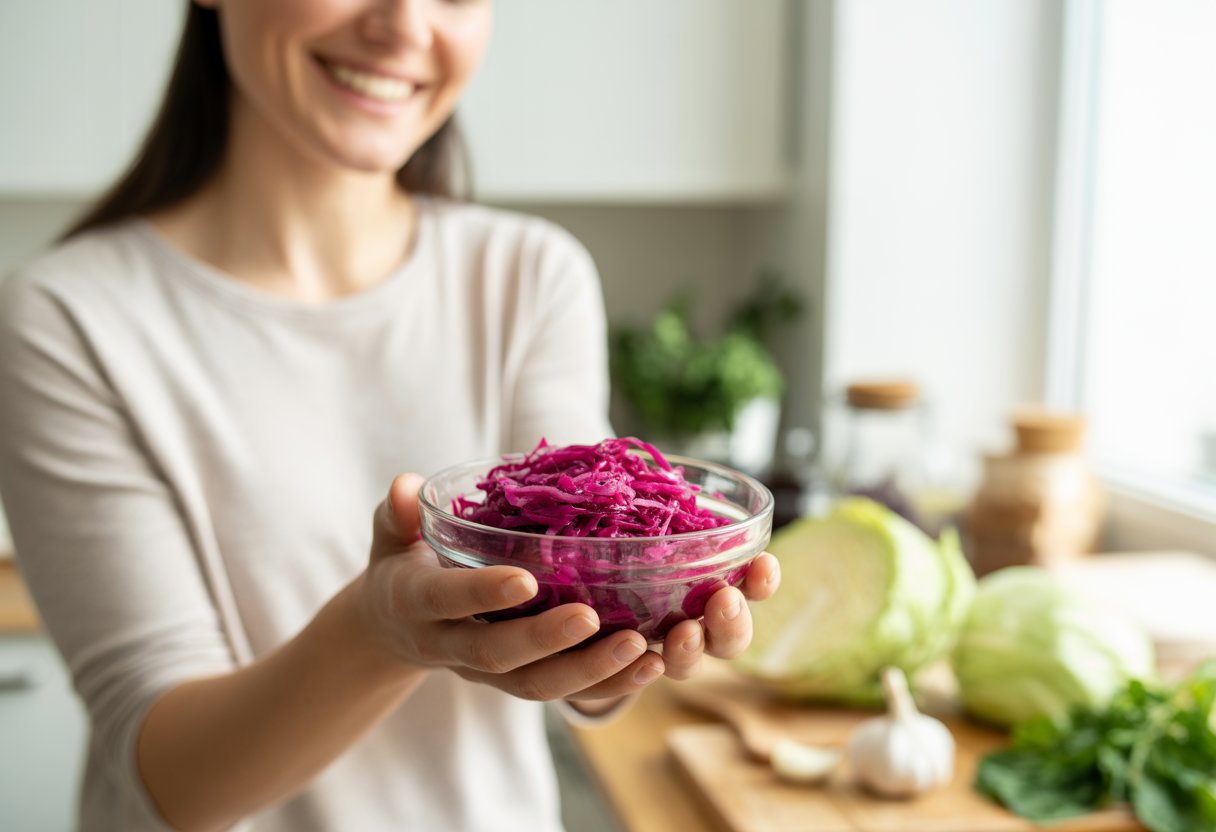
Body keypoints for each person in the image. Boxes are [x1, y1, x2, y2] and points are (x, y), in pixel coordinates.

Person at [0, 2, 780, 830]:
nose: (405, 24)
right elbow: (175, 785)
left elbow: (582, 616)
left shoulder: (529, 276)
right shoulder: (68, 317)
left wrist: (640, 632)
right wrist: (381, 632)